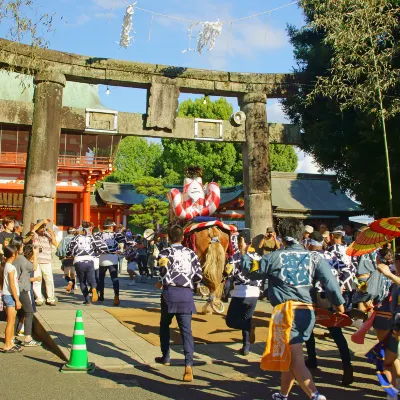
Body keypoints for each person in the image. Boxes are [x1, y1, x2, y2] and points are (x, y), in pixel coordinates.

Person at [256, 218, 345, 400]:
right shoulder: (314, 257)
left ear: (280, 235)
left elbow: (251, 270)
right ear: (301, 235)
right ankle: (283, 394)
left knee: (296, 360)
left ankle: (315, 395)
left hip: (287, 313)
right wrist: (339, 304)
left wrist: (251, 250)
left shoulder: (273, 257)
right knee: (291, 355)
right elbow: (330, 283)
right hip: (307, 311)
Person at [304, 231, 354, 385]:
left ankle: (312, 359)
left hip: (316, 295)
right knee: (336, 332)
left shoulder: (309, 257)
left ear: (311, 243)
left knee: (309, 327)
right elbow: (348, 272)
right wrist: (341, 286)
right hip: (332, 296)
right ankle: (347, 366)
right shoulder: (332, 255)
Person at [155, 225, 202, 383]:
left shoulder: (164, 252)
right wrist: (193, 285)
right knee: (186, 331)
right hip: (186, 294)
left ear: (168, 237)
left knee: (164, 325)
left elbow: (162, 271)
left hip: (170, 293)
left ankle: (166, 356)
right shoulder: (191, 253)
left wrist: (161, 282)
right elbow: (198, 274)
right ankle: (188, 364)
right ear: (183, 238)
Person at [225, 243, 262, 355]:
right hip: (255, 294)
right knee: (247, 319)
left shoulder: (236, 257)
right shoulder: (259, 258)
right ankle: (246, 347)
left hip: (240, 293)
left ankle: (249, 328)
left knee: (230, 322)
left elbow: (230, 273)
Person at [11, 239, 42, 347]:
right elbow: (34, 267)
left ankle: (12, 337)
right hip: (22, 290)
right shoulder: (23, 260)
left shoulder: (14, 259)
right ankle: (28, 338)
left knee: (18, 314)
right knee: (29, 312)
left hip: (14, 288)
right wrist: (36, 255)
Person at [67, 226, 106, 305]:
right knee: (91, 279)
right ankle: (94, 288)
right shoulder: (91, 238)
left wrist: (70, 254)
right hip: (89, 260)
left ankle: (87, 299)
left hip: (79, 261)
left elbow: (69, 249)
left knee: (82, 281)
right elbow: (100, 247)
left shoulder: (75, 238)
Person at [98, 218, 126, 306]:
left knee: (101, 278)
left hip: (102, 258)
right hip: (113, 258)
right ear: (110, 226)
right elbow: (123, 240)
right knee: (114, 278)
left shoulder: (98, 234)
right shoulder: (115, 234)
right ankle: (116, 296)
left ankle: (101, 295)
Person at [0, 245, 22, 353]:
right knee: (10, 321)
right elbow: (12, 285)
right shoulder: (11, 268)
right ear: (14, 254)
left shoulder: (6, 266)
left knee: (12, 321)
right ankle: (7, 344)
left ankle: (10, 342)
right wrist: (17, 300)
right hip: (10, 296)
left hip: (7, 295)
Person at [31, 219, 57, 306]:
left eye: (44, 227)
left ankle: (50, 298)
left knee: (49, 279)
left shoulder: (47, 234)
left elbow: (55, 243)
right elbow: (33, 229)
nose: (43, 228)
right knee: (37, 280)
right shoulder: (34, 234)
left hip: (47, 260)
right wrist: (42, 222)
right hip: (37, 260)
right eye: (41, 227)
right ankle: (39, 298)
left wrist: (52, 235)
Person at [56, 227, 76, 294]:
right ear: (73, 232)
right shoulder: (75, 239)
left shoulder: (64, 239)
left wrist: (60, 256)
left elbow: (59, 249)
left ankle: (69, 281)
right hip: (73, 258)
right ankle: (72, 290)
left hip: (66, 258)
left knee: (66, 275)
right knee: (73, 274)